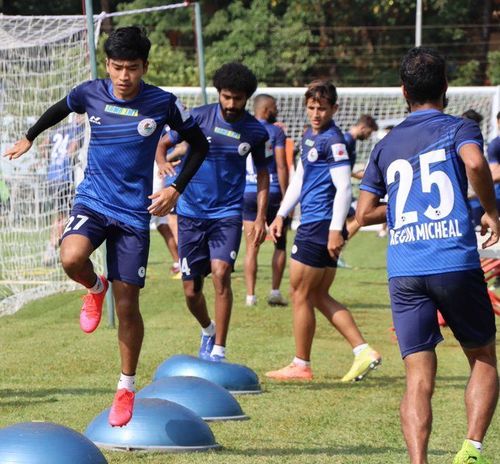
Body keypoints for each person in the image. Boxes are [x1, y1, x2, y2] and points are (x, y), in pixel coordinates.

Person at [3, 26, 208, 427]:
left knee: (129, 305)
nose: (124, 76)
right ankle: (96, 288)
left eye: (132, 68)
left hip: (134, 214)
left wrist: (175, 189)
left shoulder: (164, 103)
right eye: (117, 67)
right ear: (108, 66)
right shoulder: (90, 92)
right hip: (94, 200)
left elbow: (199, 144)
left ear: (145, 66)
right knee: (71, 257)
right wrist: (30, 136)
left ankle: (126, 386)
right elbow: (61, 108)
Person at [357, 47, 499, 464]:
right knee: (483, 357)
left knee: (418, 376)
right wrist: (491, 211)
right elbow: (476, 165)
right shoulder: (458, 128)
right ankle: (471, 450)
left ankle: (418, 461)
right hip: (452, 261)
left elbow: (364, 212)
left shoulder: (386, 145)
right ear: (446, 88)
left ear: (404, 92)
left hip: (404, 270)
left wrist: (403, 205)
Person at [265, 80, 381, 382]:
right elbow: (300, 179)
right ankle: (362, 351)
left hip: (319, 225)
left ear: (334, 109)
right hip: (316, 223)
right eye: (312, 108)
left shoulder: (334, 140)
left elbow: (344, 187)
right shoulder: (309, 136)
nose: (316, 114)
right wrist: (281, 213)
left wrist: (334, 230)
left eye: (322, 109)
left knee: (300, 292)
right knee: (317, 294)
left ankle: (301, 364)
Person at [174, 62, 269, 362]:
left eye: (237, 98)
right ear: (218, 93)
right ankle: (207, 329)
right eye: (226, 97)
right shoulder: (199, 117)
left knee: (221, 273)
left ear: (246, 98)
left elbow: (263, 174)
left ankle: (219, 350)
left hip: (227, 214)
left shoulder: (255, 131)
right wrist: (163, 161)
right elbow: (165, 142)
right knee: (191, 291)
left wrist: (261, 217)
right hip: (190, 213)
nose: (231, 104)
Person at [243, 94, 288, 307]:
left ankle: (250, 296)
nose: (276, 110)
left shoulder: (244, 126)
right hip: (272, 190)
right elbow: (280, 165)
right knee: (280, 244)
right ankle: (275, 292)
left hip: (248, 191)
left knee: (252, 246)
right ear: (267, 109)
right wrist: (287, 196)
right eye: (275, 107)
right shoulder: (275, 131)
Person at [42, 120, 80, 266]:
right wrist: (72, 158)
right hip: (65, 177)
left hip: (52, 176)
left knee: (59, 215)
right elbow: (72, 148)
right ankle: (52, 249)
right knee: (68, 216)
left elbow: (43, 146)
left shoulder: (57, 130)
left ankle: (52, 250)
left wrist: (50, 160)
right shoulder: (77, 128)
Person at [153, 129, 189, 279]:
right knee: (164, 224)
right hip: (167, 179)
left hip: (175, 180)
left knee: (175, 223)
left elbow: (183, 148)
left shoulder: (176, 125)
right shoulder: (163, 126)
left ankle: (185, 264)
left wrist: (164, 160)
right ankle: (179, 262)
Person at [342, 114, 378, 243]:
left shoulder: (350, 140)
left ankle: (336, 250)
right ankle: (336, 248)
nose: (368, 137)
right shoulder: (347, 140)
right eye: (369, 133)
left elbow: (345, 169)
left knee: (354, 218)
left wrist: (360, 175)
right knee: (361, 216)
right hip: (336, 190)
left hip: (340, 188)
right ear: (362, 128)